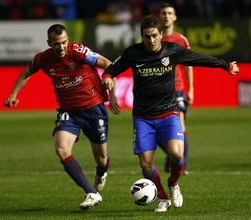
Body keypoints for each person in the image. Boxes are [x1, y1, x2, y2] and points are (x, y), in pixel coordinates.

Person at [101, 15, 239, 212]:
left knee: (176, 154)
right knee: (146, 166)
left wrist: (226, 66)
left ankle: (174, 183)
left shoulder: (172, 51)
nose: (151, 40)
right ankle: (163, 198)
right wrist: (107, 77)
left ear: (161, 35)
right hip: (143, 118)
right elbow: (112, 68)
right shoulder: (133, 53)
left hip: (168, 113)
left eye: (154, 36)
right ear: (141, 36)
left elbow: (199, 58)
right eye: (147, 37)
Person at [4, 24, 118, 210]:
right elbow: (26, 73)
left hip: (93, 108)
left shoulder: (79, 51)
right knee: (61, 149)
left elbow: (108, 64)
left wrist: (111, 95)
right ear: (49, 43)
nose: (62, 47)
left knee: (101, 158)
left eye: (64, 42)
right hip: (69, 111)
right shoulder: (43, 58)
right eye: (57, 44)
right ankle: (91, 192)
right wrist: (14, 94)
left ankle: (101, 172)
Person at [158, 2, 194, 175]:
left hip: (176, 90)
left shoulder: (181, 40)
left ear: (175, 17)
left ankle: (181, 165)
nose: (166, 15)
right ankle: (172, 156)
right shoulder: (152, 38)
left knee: (180, 125)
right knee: (156, 131)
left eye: (169, 13)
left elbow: (189, 65)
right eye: (163, 13)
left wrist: (191, 89)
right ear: (159, 16)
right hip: (157, 91)